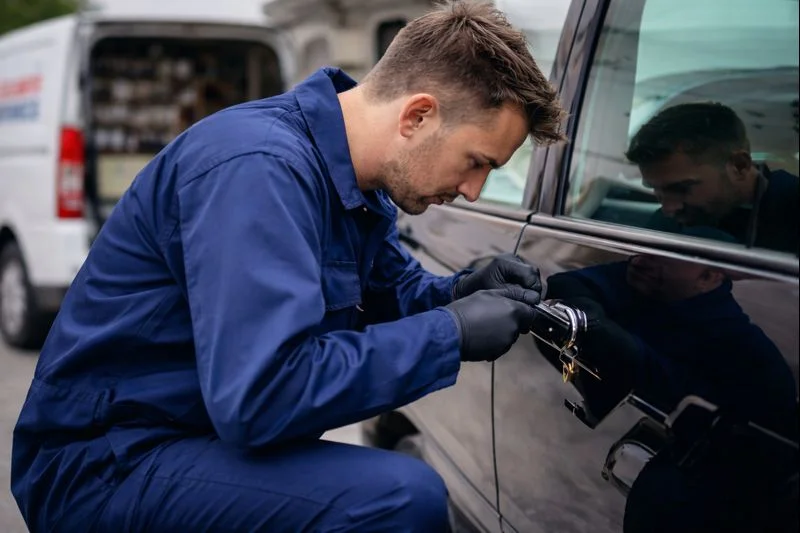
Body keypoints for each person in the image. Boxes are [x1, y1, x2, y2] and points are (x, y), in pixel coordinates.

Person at [11, 2, 566, 532]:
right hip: (105, 462)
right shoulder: (258, 169)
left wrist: (460, 293)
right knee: (397, 498)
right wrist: (452, 335)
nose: (474, 191)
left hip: (190, 437)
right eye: (477, 163)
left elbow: (388, 292)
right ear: (418, 114)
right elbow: (262, 395)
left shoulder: (353, 177)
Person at [626, 101, 799, 255]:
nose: (668, 208)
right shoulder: (669, 222)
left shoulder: (792, 208)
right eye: (657, 190)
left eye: (681, 189)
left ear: (739, 166)